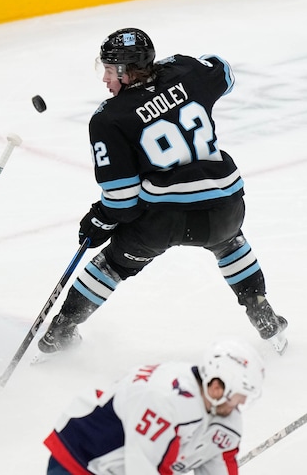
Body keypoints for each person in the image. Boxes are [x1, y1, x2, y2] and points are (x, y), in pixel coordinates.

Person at [38, 28, 288, 356]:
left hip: (162, 222)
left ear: (126, 74)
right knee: (230, 244)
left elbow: (123, 200)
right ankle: (262, 313)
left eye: (110, 71)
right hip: (225, 207)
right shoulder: (187, 71)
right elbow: (223, 71)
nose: (104, 79)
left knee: (113, 264)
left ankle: (62, 329)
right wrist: (176, 72)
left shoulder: (109, 118)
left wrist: (101, 219)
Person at [44, 339, 265, 474]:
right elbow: (143, 467)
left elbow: (220, 464)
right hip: (82, 459)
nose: (243, 403)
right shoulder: (163, 399)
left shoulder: (225, 416)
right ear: (217, 386)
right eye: (240, 395)